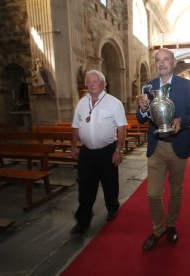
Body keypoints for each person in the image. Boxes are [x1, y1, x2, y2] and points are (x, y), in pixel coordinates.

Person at [136, 48, 190, 251]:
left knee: (176, 191)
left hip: (178, 144)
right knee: (153, 194)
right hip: (157, 146)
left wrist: (182, 120)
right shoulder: (148, 87)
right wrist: (143, 107)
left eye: (166, 59)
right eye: (158, 60)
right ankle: (158, 229)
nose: (161, 63)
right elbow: (140, 118)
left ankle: (171, 224)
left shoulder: (185, 85)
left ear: (174, 63)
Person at [70, 69, 127, 235]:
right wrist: (74, 146)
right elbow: (75, 127)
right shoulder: (81, 103)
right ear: (86, 84)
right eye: (89, 81)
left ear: (104, 84)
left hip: (107, 150)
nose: (92, 84)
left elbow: (122, 129)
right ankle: (83, 220)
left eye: (96, 81)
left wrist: (118, 150)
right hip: (86, 152)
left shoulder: (114, 103)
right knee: (85, 187)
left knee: (109, 183)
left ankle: (112, 207)